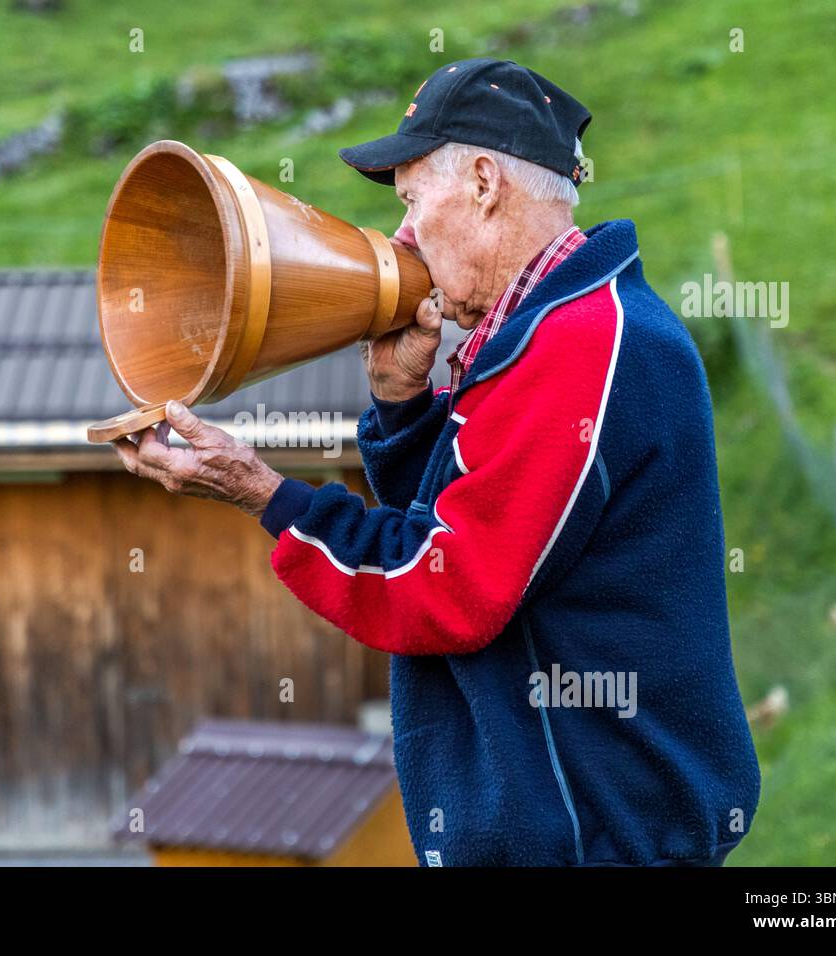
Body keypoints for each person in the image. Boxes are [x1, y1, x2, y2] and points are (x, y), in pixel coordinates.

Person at [114, 57, 760, 866]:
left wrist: (265, 496)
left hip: (596, 841)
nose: (403, 236)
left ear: (486, 182)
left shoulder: (580, 348)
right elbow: (468, 520)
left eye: (413, 199)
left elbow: (448, 588)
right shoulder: (549, 335)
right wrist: (403, 408)